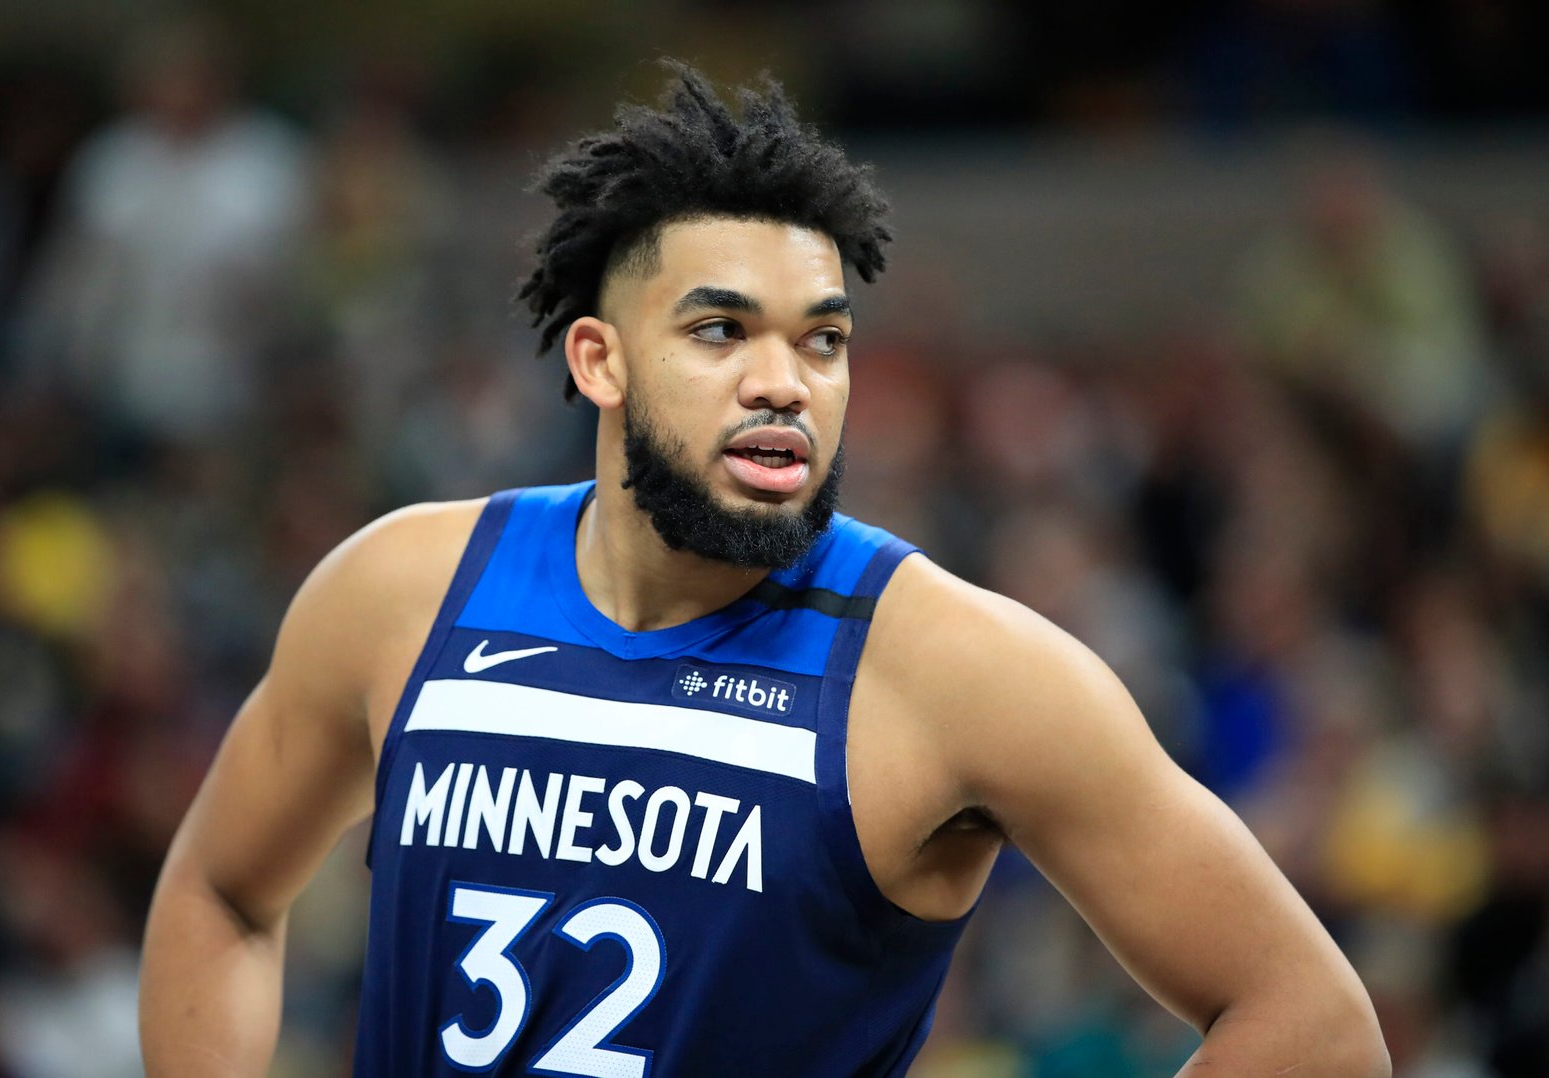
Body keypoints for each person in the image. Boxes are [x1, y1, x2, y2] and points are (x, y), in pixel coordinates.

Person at [139, 64, 1390, 1076]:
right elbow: (218, 890)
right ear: (597, 360)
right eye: (721, 330)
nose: (785, 381)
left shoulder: (958, 669)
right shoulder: (402, 590)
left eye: (824, 340)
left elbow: (1313, 1025)